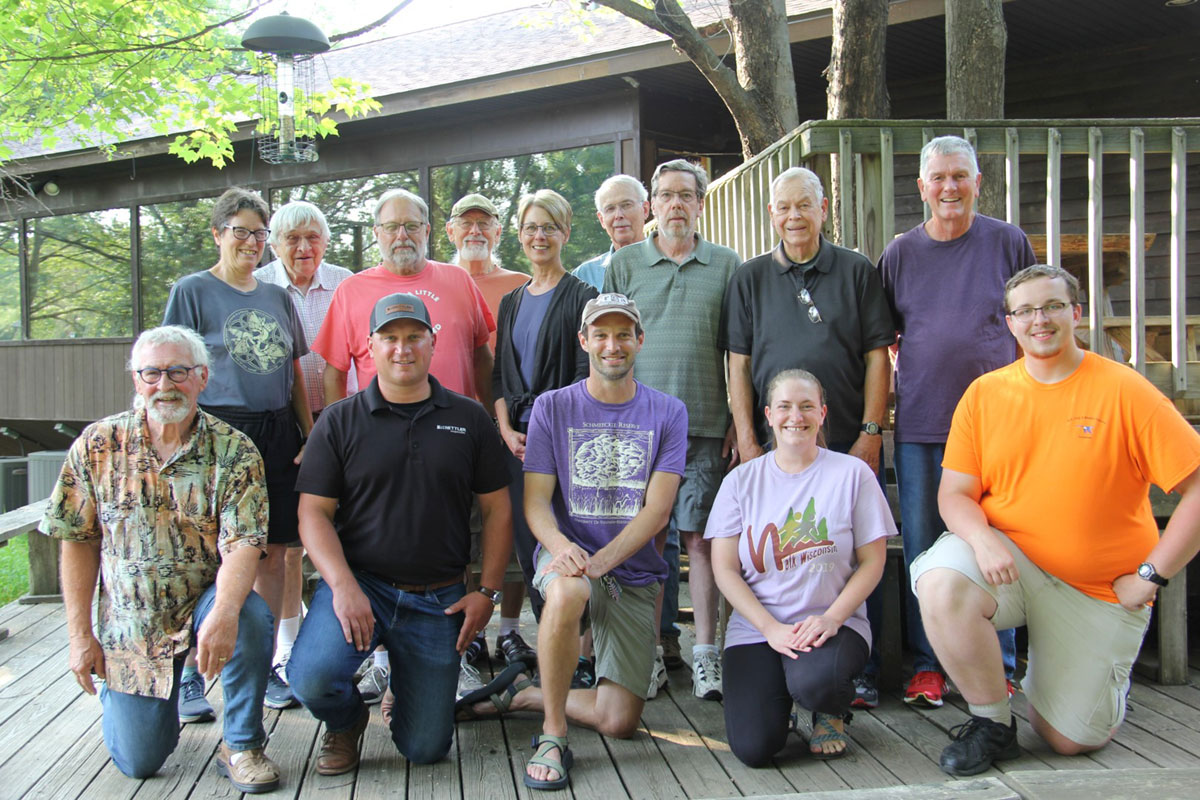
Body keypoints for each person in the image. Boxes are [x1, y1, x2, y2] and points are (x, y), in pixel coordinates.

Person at [913, 265, 1200, 776]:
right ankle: (992, 724)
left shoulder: (1124, 390)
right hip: (1013, 566)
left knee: (1068, 740)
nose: (1038, 320)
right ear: (1010, 323)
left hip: (1101, 589)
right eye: (1024, 311)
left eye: (1051, 307)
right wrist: (981, 539)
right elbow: (954, 494)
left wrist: (1151, 576)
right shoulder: (985, 394)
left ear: (1076, 313)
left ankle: (1075, 678)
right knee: (938, 582)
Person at [457, 293, 685, 790]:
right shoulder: (552, 408)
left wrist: (602, 561)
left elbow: (658, 510)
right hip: (568, 558)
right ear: (583, 341)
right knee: (566, 590)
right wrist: (561, 549)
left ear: (639, 341)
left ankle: (525, 693)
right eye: (600, 334)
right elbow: (535, 501)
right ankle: (553, 733)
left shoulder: (668, 412)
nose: (612, 345)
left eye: (623, 334)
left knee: (619, 720)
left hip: (631, 569)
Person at [42, 326, 280, 793]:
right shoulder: (98, 444)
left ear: (202, 378)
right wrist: (79, 636)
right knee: (140, 761)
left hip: (206, 602)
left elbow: (244, 543)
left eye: (178, 372)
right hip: (133, 624)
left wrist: (226, 612)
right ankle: (143, 700)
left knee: (250, 616)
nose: (165, 384)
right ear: (136, 378)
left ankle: (242, 744)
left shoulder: (234, 450)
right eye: (151, 373)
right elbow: (76, 538)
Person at [288, 293, 512, 773]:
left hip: (438, 597)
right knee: (310, 677)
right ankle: (346, 721)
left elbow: (497, 510)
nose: (402, 348)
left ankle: (405, 686)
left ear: (434, 342)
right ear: (370, 345)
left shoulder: (469, 418)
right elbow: (313, 516)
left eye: (414, 337)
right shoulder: (338, 421)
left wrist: (487, 593)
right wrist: (343, 587)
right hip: (360, 585)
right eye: (389, 338)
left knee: (426, 747)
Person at [878, 135, 1035, 708]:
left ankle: (1004, 662)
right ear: (921, 187)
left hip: (1000, 426)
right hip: (922, 425)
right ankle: (929, 666)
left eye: (959, 176)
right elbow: (888, 334)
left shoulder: (1008, 242)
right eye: (938, 177)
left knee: (998, 541)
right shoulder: (900, 254)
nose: (949, 187)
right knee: (924, 544)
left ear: (976, 182)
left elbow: (1030, 320)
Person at [162, 186, 313, 717]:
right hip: (217, 432)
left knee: (274, 550)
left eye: (258, 234)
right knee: (203, 554)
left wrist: (308, 432)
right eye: (240, 231)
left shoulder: (277, 296)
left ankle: (265, 663)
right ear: (218, 234)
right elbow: (171, 365)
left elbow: (292, 370)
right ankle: (183, 672)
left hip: (276, 433)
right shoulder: (193, 290)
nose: (250, 242)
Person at [603, 158, 741, 700]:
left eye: (687, 195)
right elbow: (606, 348)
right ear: (651, 206)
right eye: (666, 195)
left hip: (705, 424)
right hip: (637, 429)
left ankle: (706, 653)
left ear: (701, 204)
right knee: (644, 543)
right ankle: (651, 653)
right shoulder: (626, 264)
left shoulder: (727, 265)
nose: (676, 204)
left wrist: (738, 419)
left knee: (701, 541)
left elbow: (739, 350)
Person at [708, 369, 894, 765]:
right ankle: (782, 704)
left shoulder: (852, 474)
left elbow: (873, 560)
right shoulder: (740, 482)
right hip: (758, 627)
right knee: (755, 748)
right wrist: (770, 628)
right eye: (785, 407)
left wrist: (832, 618)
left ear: (823, 413)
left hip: (830, 624)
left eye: (807, 406)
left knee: (816, 683)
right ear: (769, 415)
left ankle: (828, 709)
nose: (797, 416)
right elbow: (724, 569)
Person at [254, 199, 357, 708]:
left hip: (343, 419)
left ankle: (358, 640)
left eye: (313, 237)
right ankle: (287, 647)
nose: (303, 247)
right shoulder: (260, 286)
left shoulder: (345, 282)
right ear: (274, 244)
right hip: (284, 424)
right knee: (288, 543)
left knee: (349, 526)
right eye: (292, 238)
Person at [490, 189, 597, 672]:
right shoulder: (511, 301)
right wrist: (506, 428)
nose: (540, 236)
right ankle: (555, 651)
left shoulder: (582, 297)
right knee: (530, 547)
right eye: (531, 227)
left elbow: (584, 374)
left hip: (564, 443)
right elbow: (498, 376)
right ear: (519, 235)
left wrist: (546, 433)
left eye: (549, 227)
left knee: (568, 541)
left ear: (565, 234)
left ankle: (583, 653)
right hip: (516, 445)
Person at [447, 191, 541, 680]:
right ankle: (468, 634)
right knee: (457, 530)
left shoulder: (520, 285)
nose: (476, 231)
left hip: (508, 427)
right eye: (467, 223)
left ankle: (508, 629)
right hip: (451, 427)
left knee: (509, 524)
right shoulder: (441, 282)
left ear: (499, 232)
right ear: (451, 232)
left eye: (485, 223)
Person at [312, 187, 494, 408]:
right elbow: (335, 374)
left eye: (411, 226)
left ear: (426, 231)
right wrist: (338, 430)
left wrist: (495, 420)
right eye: (391, 227)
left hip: (456, 429)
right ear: (377, 233)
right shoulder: (350, 291)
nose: (402, 235)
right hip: (379, 431)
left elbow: (482, 360)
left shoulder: (460, 280)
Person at [572, 175, 650, 290]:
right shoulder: (584, 276)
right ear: (601, 219)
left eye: (626, 205)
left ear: (645, 210)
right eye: (610, 209)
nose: (618, 215)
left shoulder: (669, 266)